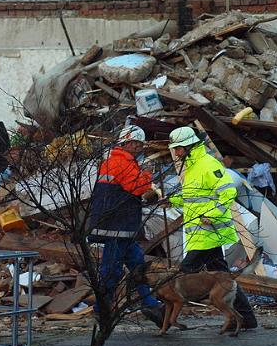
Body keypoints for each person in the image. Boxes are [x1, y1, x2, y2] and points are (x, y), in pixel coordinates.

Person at [167, 126, 258, 329]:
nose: (177, 153)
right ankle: (248, 319)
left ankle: (164, 313)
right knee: (223, 277)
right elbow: (193, 199)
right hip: (201, 233)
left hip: (209, 232)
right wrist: (171, 199)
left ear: (191, 146)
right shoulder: (191, 167)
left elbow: (228, 192)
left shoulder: (207, 164)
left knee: (182, 273)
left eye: (180, 148)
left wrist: (211, 215)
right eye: (175, 149)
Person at [87, 124, 165, 327]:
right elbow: (138, 188)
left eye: (140, 145)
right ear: (128, 143)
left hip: (122, 225)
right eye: (137, 144)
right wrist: (148, 175)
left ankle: (149, 303)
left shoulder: (116, 160)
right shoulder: (122, 162)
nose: (140, 148)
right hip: (117, 226)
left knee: (137, 263)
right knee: (111, 270)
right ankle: (102, 309)